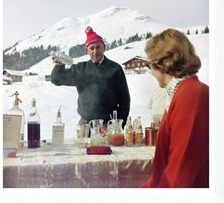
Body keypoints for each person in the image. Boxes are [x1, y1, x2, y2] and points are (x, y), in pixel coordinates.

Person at [141, 28, 209, 188]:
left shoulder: (192, 96)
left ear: (163, 62)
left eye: (149, 65)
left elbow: (180, 174)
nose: (151, 72)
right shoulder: (179, 93)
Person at [51, 26, 130, 130]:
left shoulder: (115, 69)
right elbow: (56, 79)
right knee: (83, 146)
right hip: (85, 124)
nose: (95, 51)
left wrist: (118, 124)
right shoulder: (80, 69)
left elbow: (125, 99)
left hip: (108, 124)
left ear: (104, 47)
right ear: (87, 50)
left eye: (98, 47)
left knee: (107, 147)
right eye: (91, 48)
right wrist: (59, 65)